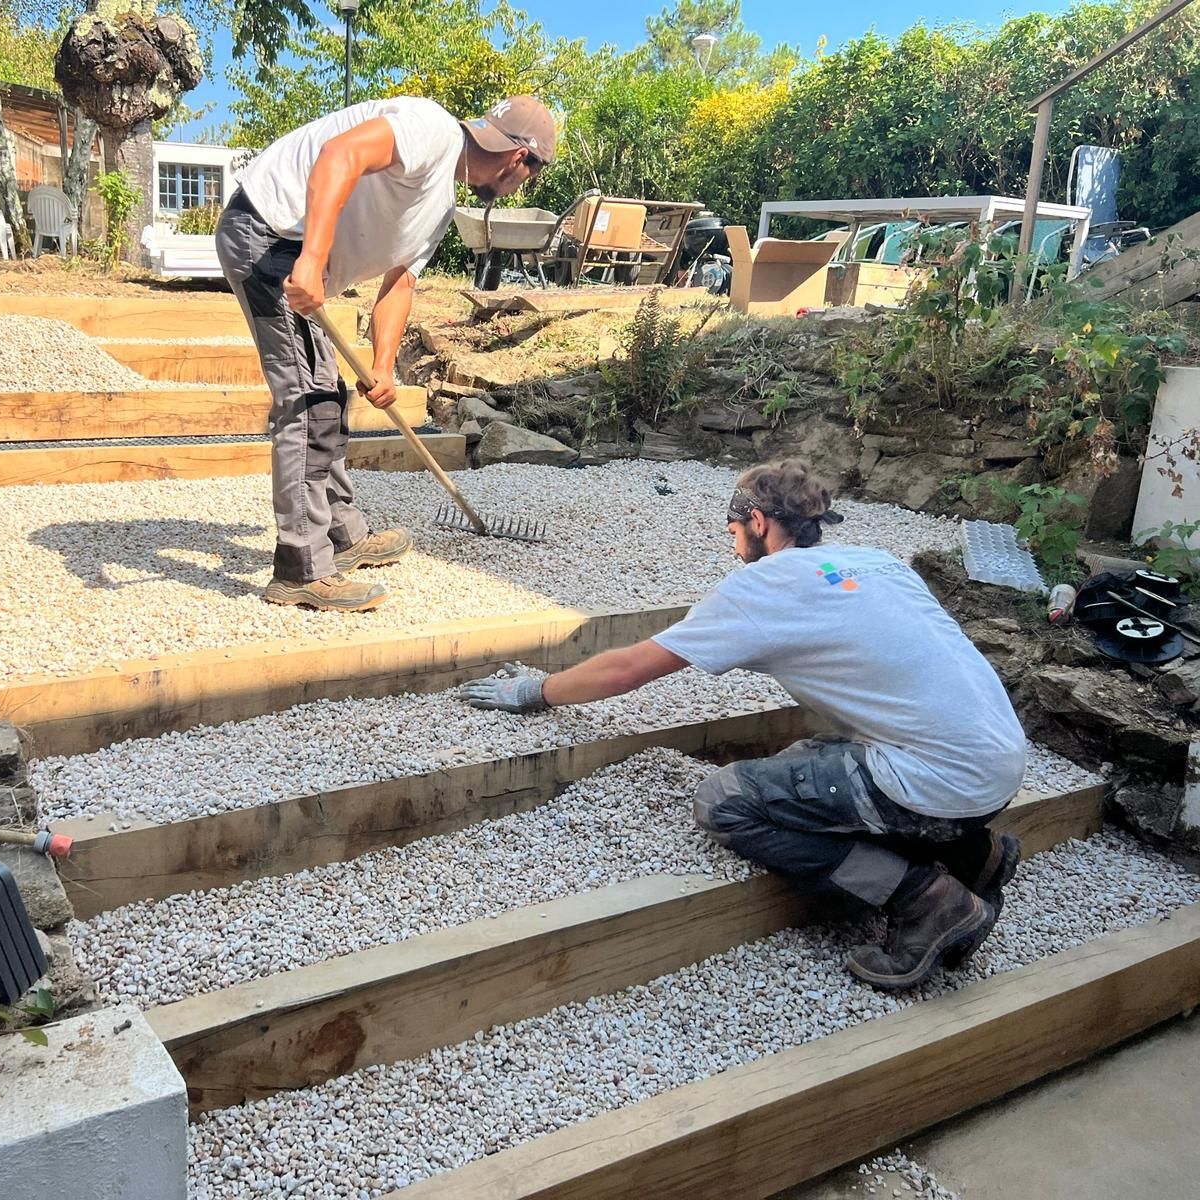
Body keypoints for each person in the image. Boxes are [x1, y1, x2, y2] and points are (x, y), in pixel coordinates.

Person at [459, 460, 1028, 991]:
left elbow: (633, 666)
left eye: (734, 532)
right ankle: (974, 855)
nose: (734, 548)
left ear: (757, 521)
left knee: (727, 801)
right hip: (999, 763)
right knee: (804, 759)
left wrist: (535, 690)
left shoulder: (763, 587)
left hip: (939, 781)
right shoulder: (875, 561)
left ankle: (928, 901)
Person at [216, 95, 557, 612]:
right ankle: (300, 568)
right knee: (307, 402)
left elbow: (400, 284)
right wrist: (311, 260)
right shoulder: (431, 130)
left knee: (329, 393)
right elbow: (339, 156)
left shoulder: (441, 202)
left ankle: (342, 537)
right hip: (267, 233)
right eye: (530, 175)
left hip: (294, 249)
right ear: (518, 159)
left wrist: (381, 367)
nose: (522, 186)